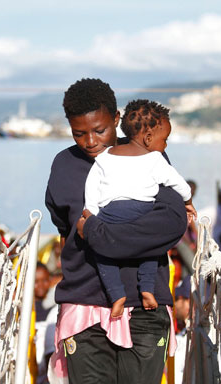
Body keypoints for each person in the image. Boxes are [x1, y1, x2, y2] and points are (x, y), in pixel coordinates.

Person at [45, 78, 187, 384]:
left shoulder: (149, 156)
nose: (90, 141)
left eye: (100, 130)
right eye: (79, 133)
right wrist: (127, 235)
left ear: (117, 119)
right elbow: (65, 232)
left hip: (145, 306)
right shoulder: (64, 166)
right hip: (83, 307)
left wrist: (95, 232)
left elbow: (172, 225)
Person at [83, 99, 196, 317]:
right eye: (165, 139)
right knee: (150, 250)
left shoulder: (104, 157)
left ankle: (116, 296)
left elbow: (92, 187)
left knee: (103, 254)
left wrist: (91, 217)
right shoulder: (155, 159)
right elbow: (179, 184)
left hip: (110, 214)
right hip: (143, 212)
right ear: (148, 138)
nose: (165, 145)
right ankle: (146, 289)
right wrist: (188, 201)